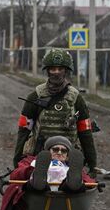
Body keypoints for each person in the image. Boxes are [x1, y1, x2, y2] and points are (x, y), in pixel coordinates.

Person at [14, 48, 97, 177]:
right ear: (48, 71)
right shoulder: (35, 96)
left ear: (66, 71)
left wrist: (92, 164)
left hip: (67, 154)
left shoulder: (76, 98)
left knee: (78, 182)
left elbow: (85, 133)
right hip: (40, 153)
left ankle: (72, 176)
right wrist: (17, 159)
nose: (56, 73)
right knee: (26, 176)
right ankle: (39, 176)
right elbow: (23, 131)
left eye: (60, 69)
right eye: (53, 69)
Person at [0, 136, 95, 210]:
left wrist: (87, 183)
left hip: (65, 190)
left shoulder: (72, 166)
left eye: (64, 151)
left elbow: (89, 181)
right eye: (56, 149)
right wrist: (30, 170)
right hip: (42, 190)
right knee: (34, 185)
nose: (60, 152)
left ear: (67, 156)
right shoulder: (33, 161)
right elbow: (15, 175)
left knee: (75, 184)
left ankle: (73, 183)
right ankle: (38, 179)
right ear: (48, 151)